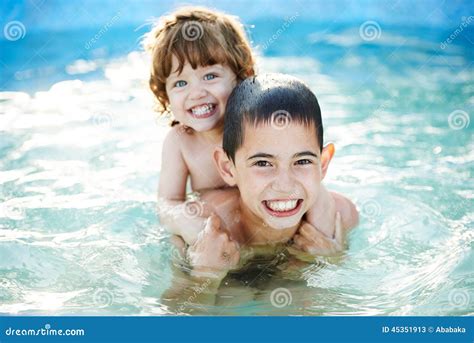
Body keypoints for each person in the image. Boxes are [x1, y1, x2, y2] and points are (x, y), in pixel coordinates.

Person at [186, 74, 359, 279]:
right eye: (263, 163)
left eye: (302, 161)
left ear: (322, 164)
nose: (285, 186)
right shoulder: (205, 224)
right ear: (227, 168)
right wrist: (205, 275)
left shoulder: (342, 216)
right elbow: (177, 307)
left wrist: (331, 260)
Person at [143, 6, 255, 245]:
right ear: (165, 96)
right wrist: (184, 221)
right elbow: (167, 203)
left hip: (262, 230)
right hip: (215, 234)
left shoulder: (256, 127)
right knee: (179, 240)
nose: (197, 93)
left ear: (243, 75)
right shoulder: (180, 141)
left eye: (210, 76)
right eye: (180, 82)